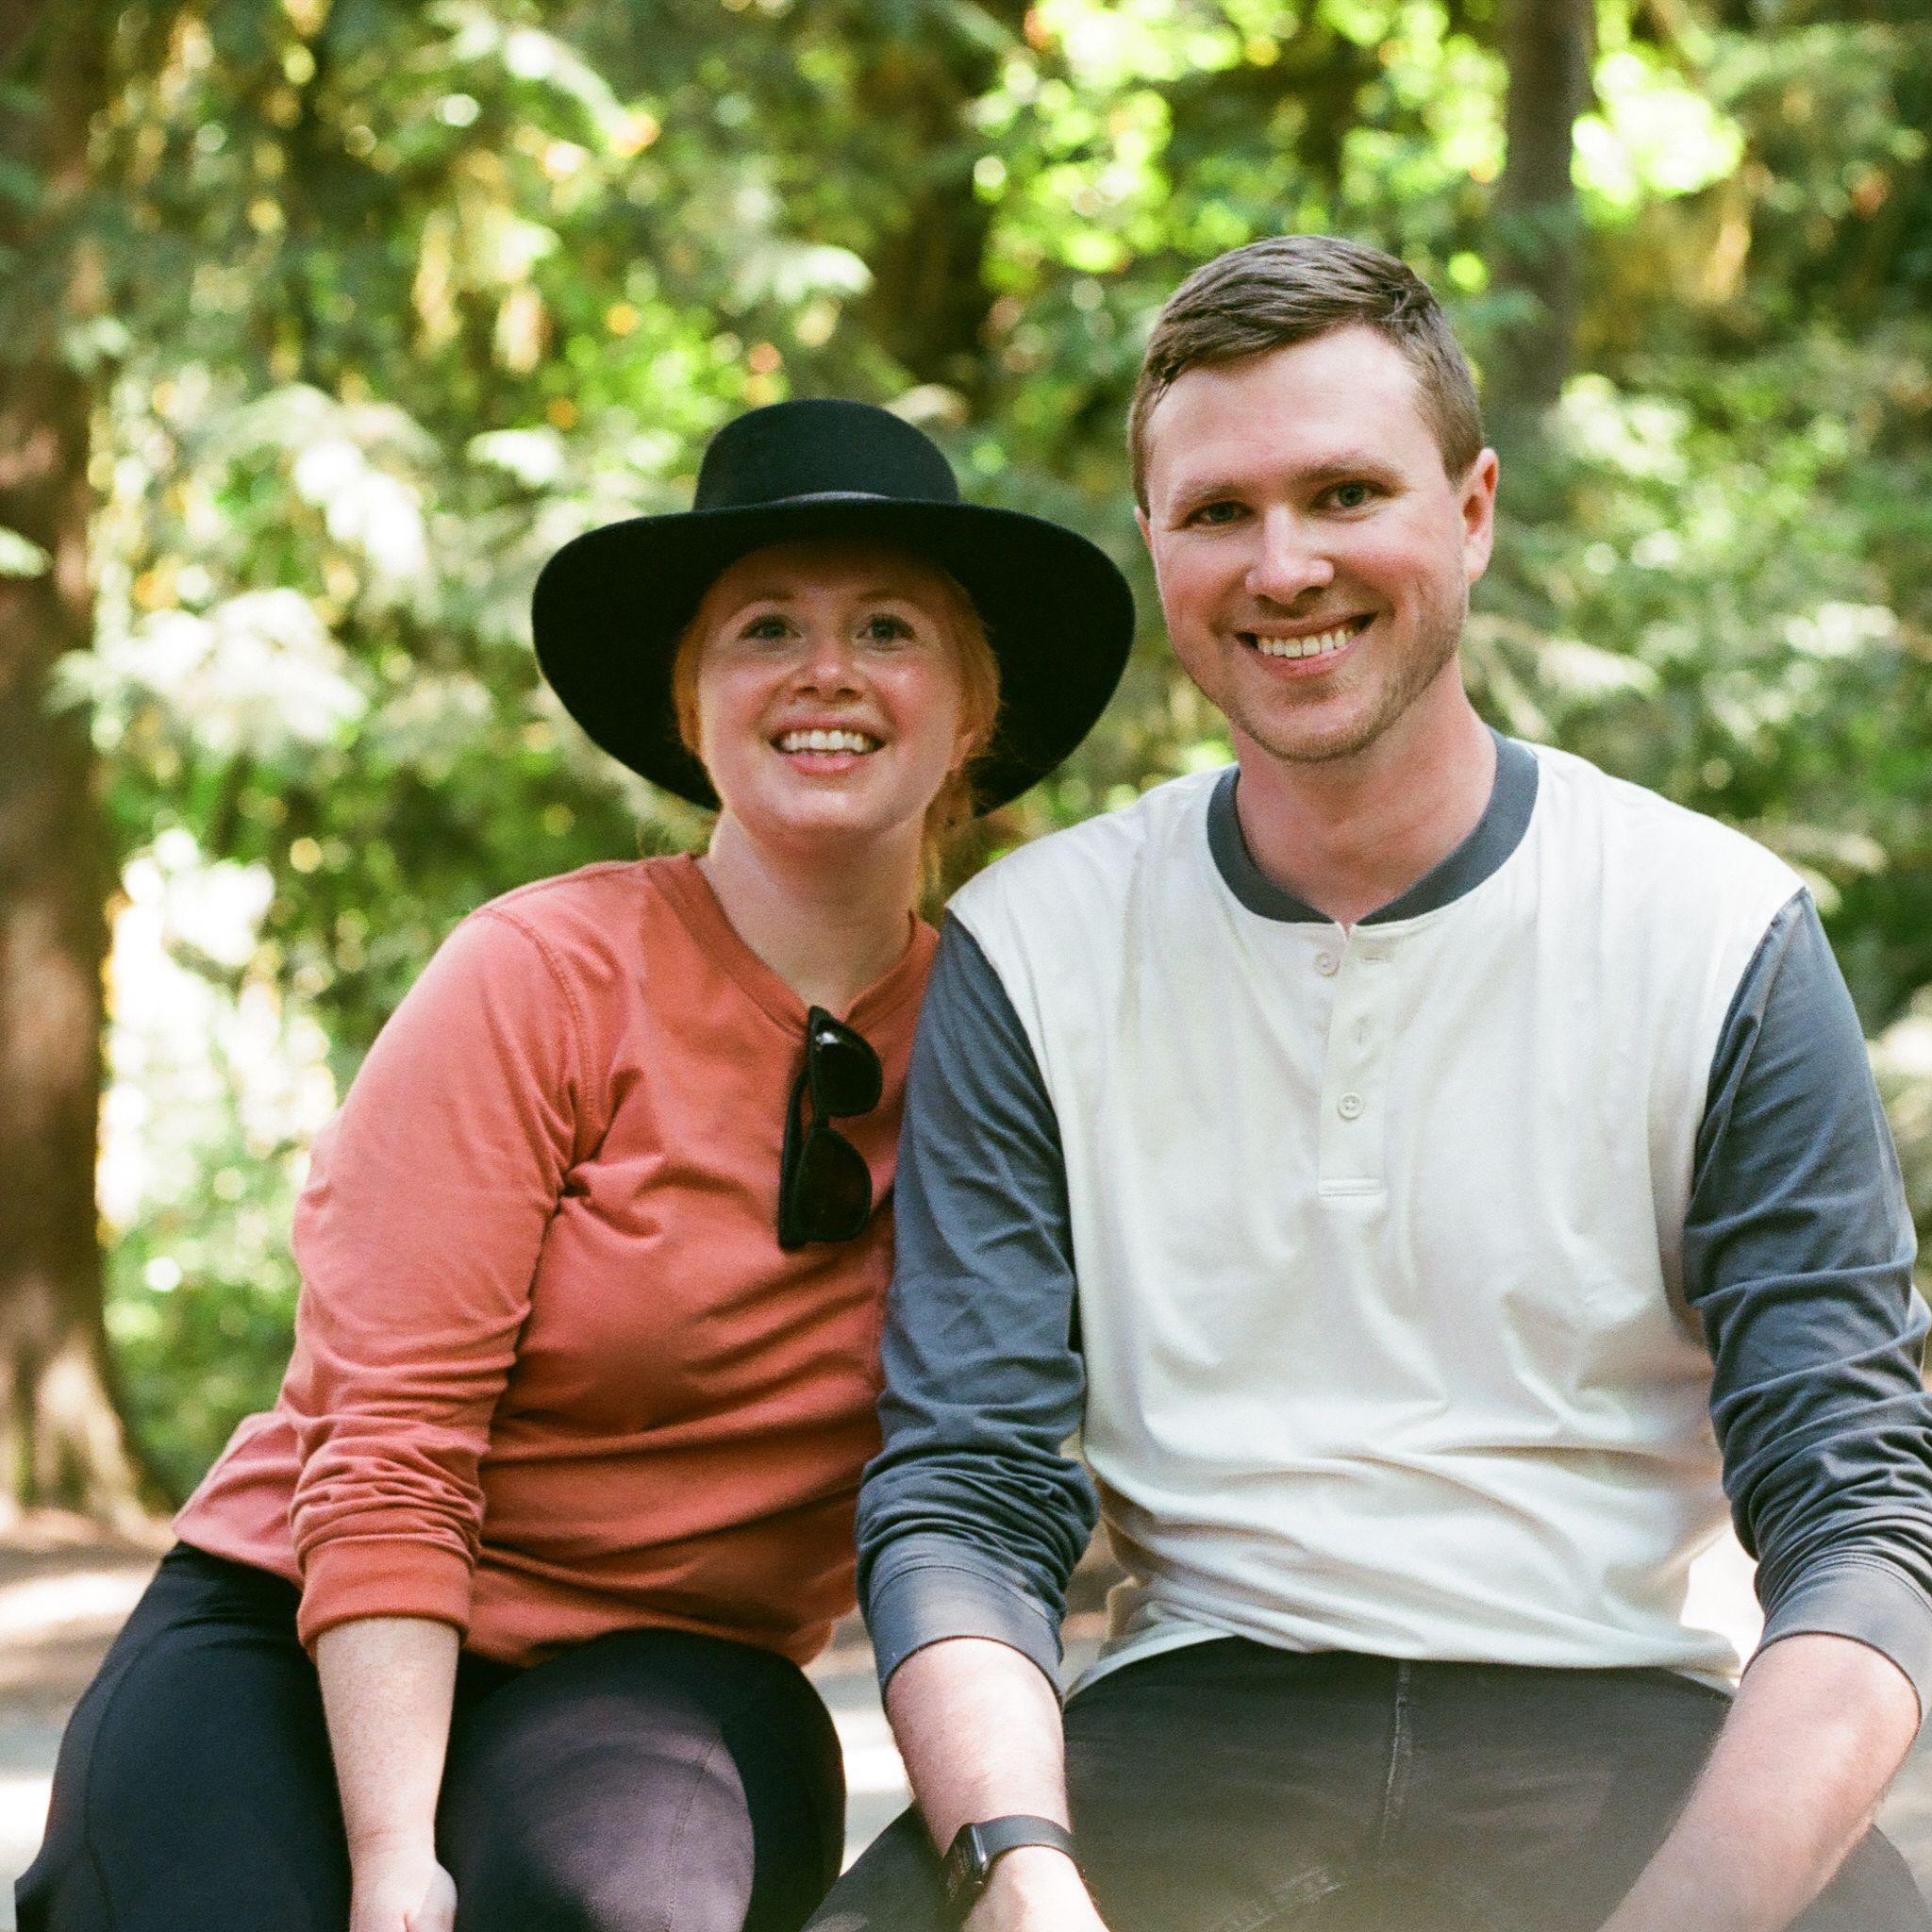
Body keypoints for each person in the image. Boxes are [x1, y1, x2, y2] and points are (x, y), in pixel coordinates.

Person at [806, 239, 1932, 1932]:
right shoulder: (1032, 947)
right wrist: (1019, 1867)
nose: (1286, 567)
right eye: (1220, 511)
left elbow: (1858, 1509)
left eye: (1345, 492)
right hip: (1189, 1725)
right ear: (1157, 546)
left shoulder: (1717, 930)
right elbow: (968, 1486)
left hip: (1619, 1725)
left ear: (1471, 511)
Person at [15, 398, 1134, 1932]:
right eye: (764, 629)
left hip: (670, 1675)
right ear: (692, 702)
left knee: (617, 1907)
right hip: (309, 1626)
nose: (825, 671)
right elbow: (392, 1435)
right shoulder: (539, 974)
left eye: (889, 629)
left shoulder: (1008, 1041)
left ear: (971, 710)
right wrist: (393, 1859)